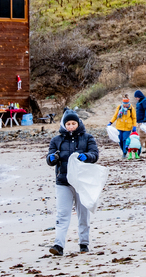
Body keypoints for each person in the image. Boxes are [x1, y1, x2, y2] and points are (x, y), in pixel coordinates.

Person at [46, 109, 99, 256]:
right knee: (62, 214)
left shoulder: (88, 138)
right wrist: (52, 158)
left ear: (78, 123)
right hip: (63, 182)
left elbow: (94, 155)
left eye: (73, 123)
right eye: (68, 124)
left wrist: (85, 156)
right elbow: (49, 156)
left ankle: (84, 243)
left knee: (83, 214)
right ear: (64, 124)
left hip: (82, 183)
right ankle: (58, 245)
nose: (71, 126)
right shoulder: (56, 140)